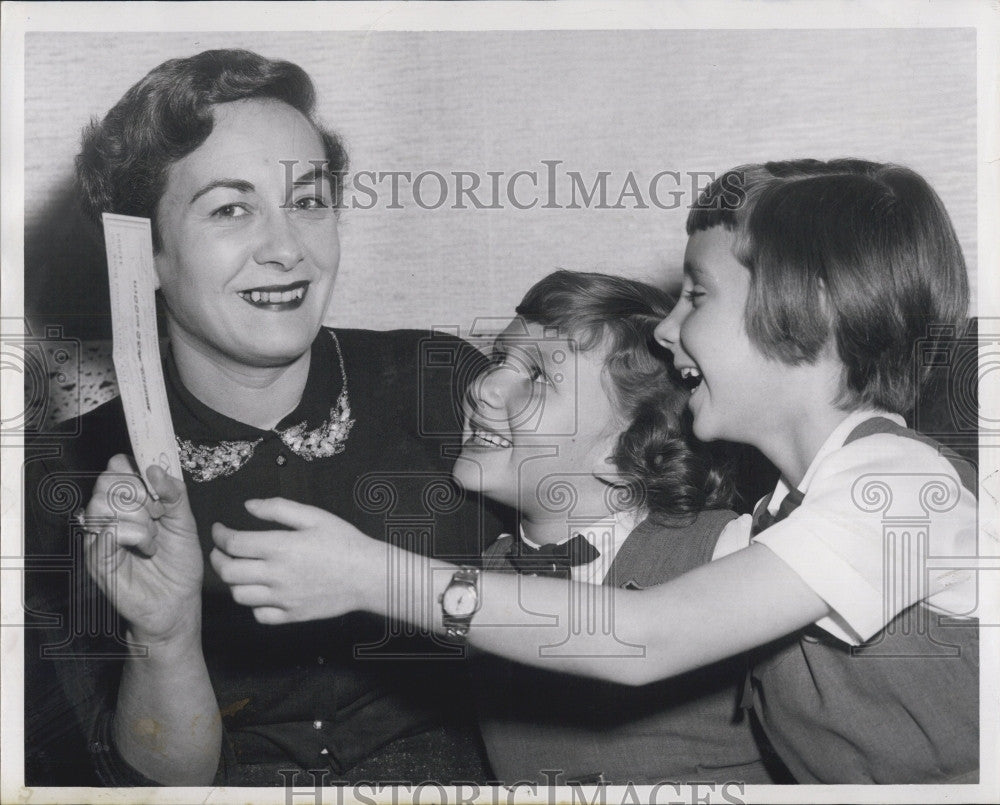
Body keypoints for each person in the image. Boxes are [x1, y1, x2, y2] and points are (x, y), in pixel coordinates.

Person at [211, 159, 979, 784]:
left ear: (803, 309)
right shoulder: (788, 515)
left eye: (697, 295)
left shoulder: (899, 485)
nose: (671, 330)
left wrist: (373, 575)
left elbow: (646, 636)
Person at [25, 49, 505, 787]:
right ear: (140, 252)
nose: (287, 249)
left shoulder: (446, 388)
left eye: (308, 200)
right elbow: (148, 791)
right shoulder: (68, 477)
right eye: (231, 208)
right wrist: (168, 636)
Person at [455, 269, 776, 785]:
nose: (484, 388)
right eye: (498, 360)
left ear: (624, 449)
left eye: (536, 376)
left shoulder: (731, 550)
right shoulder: (482, 569)